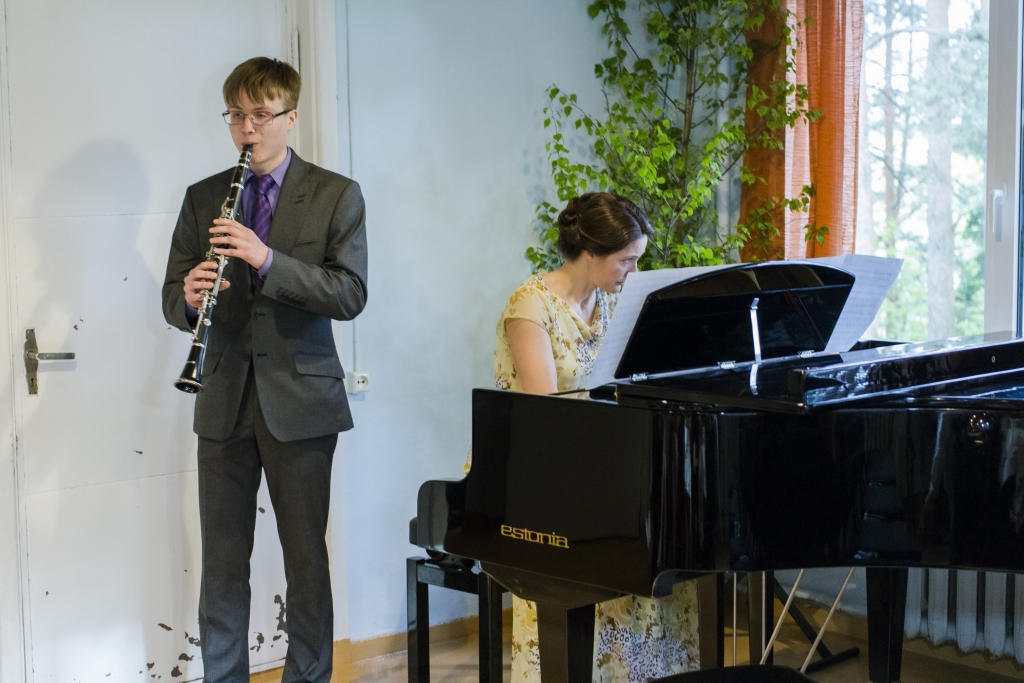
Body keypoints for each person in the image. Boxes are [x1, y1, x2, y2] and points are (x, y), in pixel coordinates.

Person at [161, 57, 367, 683]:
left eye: (260, 115)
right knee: (222, 565)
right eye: (236, 116)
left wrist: (266, 258)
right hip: (223, 398)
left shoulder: (335, 194)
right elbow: (172, 297)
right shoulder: (203, 197)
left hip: (301, 401)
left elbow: (349, 294)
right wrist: (188, 298)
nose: (247, 128)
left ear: (290, 116)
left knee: (305, 561)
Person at [492, 193, 699, 682]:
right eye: (626, 260)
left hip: (593, 457)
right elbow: (547, 415)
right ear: (590, 253)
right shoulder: (529, 306)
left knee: (666, 534)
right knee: (625, 538)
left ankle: (646, 672)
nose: (632, 271)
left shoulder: (607, 304)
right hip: (536, 469)